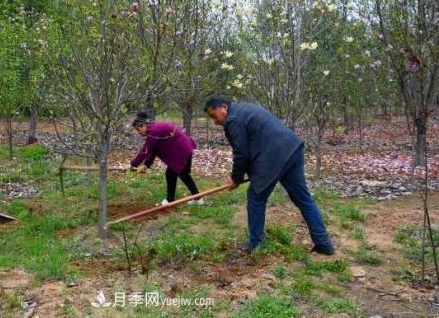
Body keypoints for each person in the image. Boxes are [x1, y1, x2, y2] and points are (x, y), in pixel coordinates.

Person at [204, 95, 335, 255]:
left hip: (274, 156)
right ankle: (324, 244)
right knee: (304, 199)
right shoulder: (245, 109)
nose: (215, 121)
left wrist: (235, 179)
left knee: (256, 198)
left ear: (223, 107)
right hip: (292, 149)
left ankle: (256, 244)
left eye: (213, 115)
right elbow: (253, 145)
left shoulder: (233, 120)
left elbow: (242, 154)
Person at [130, 111, 203, 206]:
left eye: (138, 129)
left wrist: (133, 164)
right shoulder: (154, 129)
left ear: (143, 125)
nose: (139, 133)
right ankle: (198, 199)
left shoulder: (154, 131)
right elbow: (154, 149)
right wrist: (146, 165)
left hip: (182, 150)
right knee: (184, 174)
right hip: (185, 148)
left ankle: (170, 200)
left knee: (171, 173)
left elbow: (146, 150)